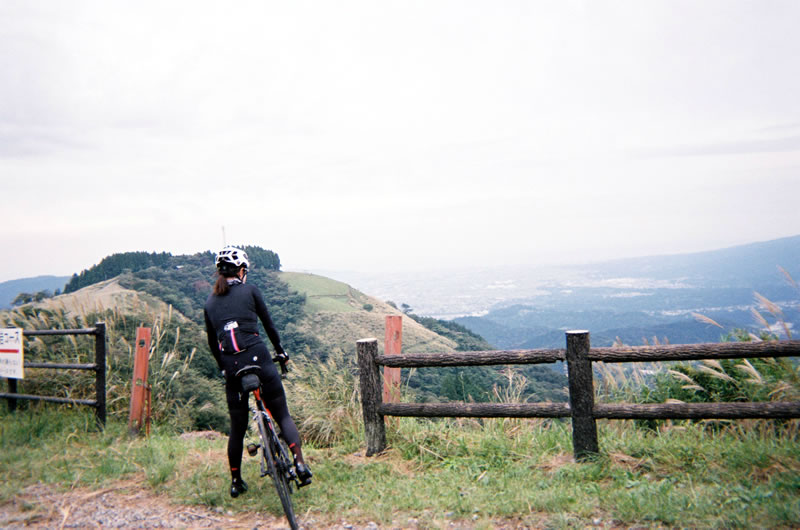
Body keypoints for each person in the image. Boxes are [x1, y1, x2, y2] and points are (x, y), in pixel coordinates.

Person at [203, 246, 312, 497]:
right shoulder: (251, 291)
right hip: (258, 357)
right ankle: (299, 463)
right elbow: (269, 325)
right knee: (282, 414)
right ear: (241, 271)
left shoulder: (209, 303)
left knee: (238, 429)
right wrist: (281, 352)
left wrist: (223, 368)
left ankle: (235, 481)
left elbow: (212, 344)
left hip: (232, 367)